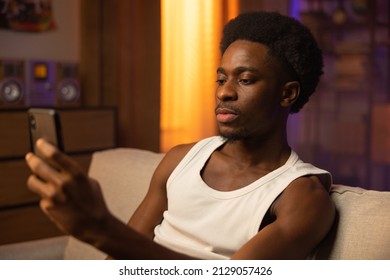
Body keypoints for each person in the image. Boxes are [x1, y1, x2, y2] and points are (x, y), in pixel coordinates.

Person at [25, 11, 335, 260]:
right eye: (221, 77)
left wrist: (99, 228)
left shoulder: (302, 197)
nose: (224, 92)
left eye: (245, 79)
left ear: (287, 94)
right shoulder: (181, 158)